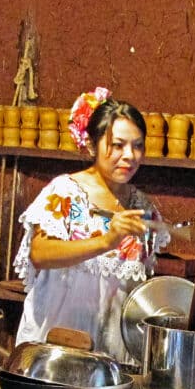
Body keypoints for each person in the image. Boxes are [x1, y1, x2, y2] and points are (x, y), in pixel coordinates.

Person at [13, 88, 168, 362]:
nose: (130, 155)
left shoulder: (143, 209)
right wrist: (105, 242)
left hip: (112, 359)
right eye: (118, 145)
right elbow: (40, 254)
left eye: (138, 145)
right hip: (56, 350)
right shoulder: (65, 193)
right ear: (93, 146)